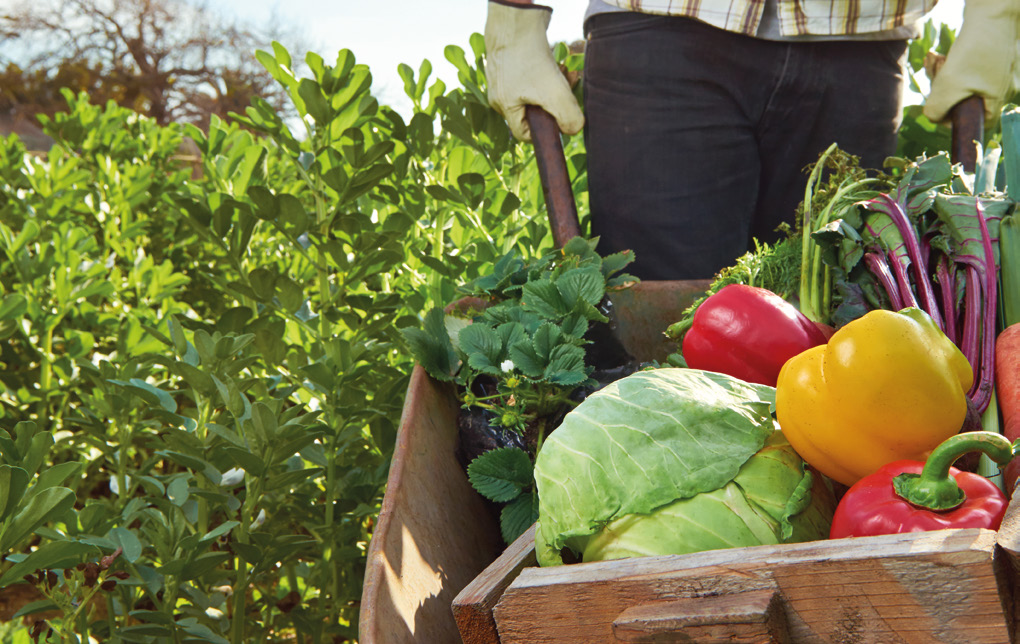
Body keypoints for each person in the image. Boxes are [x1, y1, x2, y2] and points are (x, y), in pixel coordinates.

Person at [484, 0, 1020, 280]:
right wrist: (512, 21)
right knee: (663, 344)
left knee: (839, 319)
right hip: (659, 30)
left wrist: (996, 12)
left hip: (861, 38)